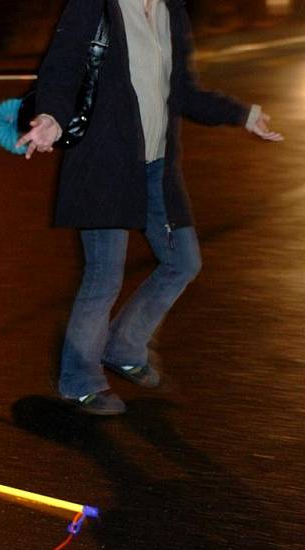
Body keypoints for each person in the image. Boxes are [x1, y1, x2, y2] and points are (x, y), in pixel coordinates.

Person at [17, 0, 282, 415]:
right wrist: (50, 115)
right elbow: (62, 67)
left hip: (156, 165)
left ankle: (124, 346)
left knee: (183, 260)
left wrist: (242, 114)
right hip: (104, 165)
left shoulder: (169, 10)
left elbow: (183, 92)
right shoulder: (95, 6)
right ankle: (78, 380)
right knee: (104, 276)